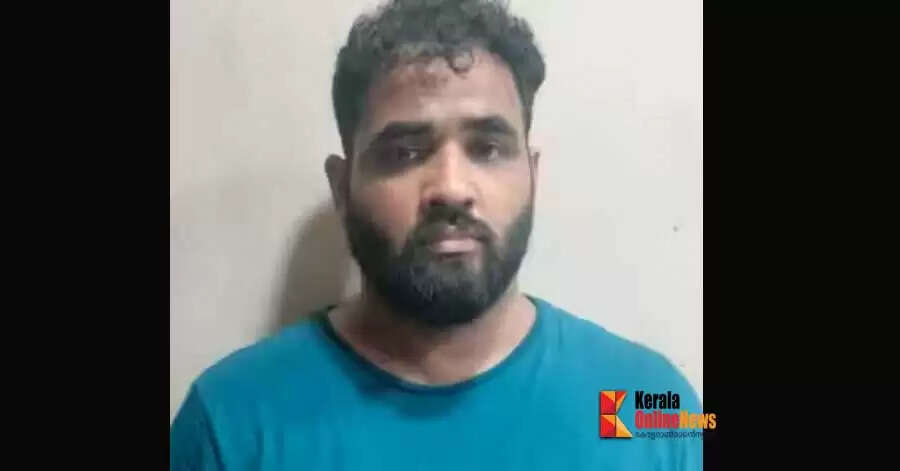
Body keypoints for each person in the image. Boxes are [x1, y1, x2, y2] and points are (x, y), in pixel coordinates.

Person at [170, 0, 702, 469]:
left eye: (487, 148)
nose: (450, 187)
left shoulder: (654, 406)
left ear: (533, 174)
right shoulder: (228, 424)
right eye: (404, 152)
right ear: (341, 187)